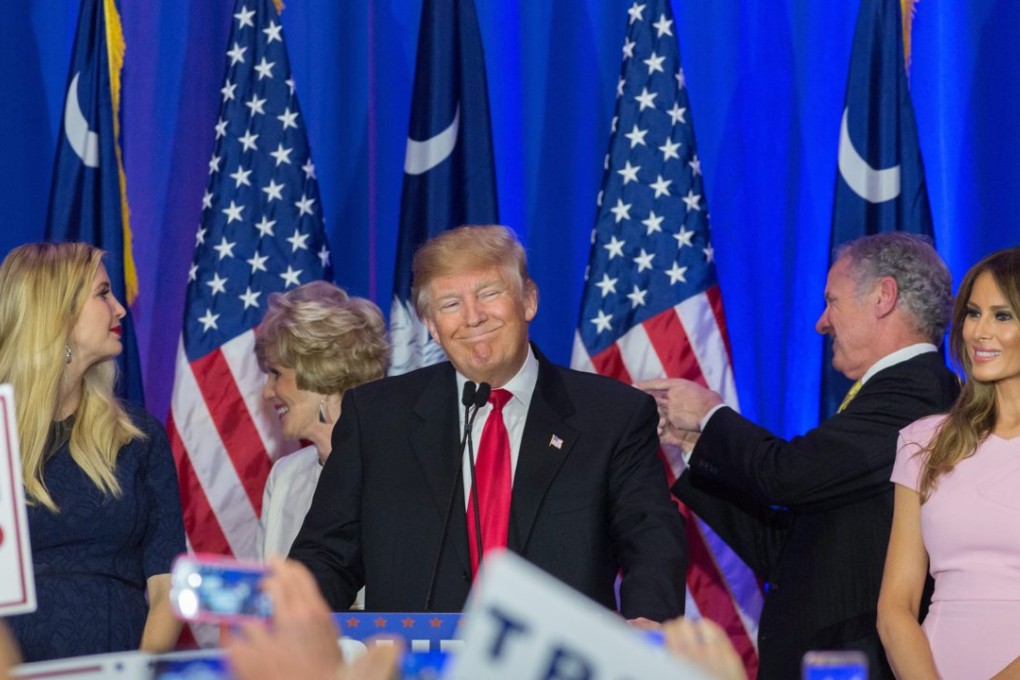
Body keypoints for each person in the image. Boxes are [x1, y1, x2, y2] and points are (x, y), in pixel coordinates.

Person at [290, 225, 687, 621]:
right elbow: (327, 554)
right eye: (449, 304)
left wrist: (647, 624)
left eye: (488, 293)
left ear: (528, 301)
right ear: (431, 325)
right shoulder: (376, 416)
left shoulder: (612, 414)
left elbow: (651, 540)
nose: (473, 317)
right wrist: (298, 622)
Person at [639, 233, 960, 678]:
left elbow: (785, 475)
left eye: (832, 300)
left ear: (884, 296)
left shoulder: (916, 391)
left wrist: (709, 414)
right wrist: (691, 445)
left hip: (851, 666)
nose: (821, 322)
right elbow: (784, 551)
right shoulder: (887, 394)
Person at [0, 242, 185, 661]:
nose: (120, 309)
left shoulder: (139, 437)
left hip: (121, 661)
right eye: (103, 293)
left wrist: (142, 671)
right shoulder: (0, 435)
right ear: (56, 314)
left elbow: (167, 584)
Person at [878, 247, 1020, 679]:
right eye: (973, 313)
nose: (979, 331)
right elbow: (896, 604)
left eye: (1002, 316)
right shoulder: (923, 441)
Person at [254, 281, 389, 579]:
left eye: (276, 374)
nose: (267, 393)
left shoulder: (395, 472)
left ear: (320, 372)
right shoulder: (284, 476)